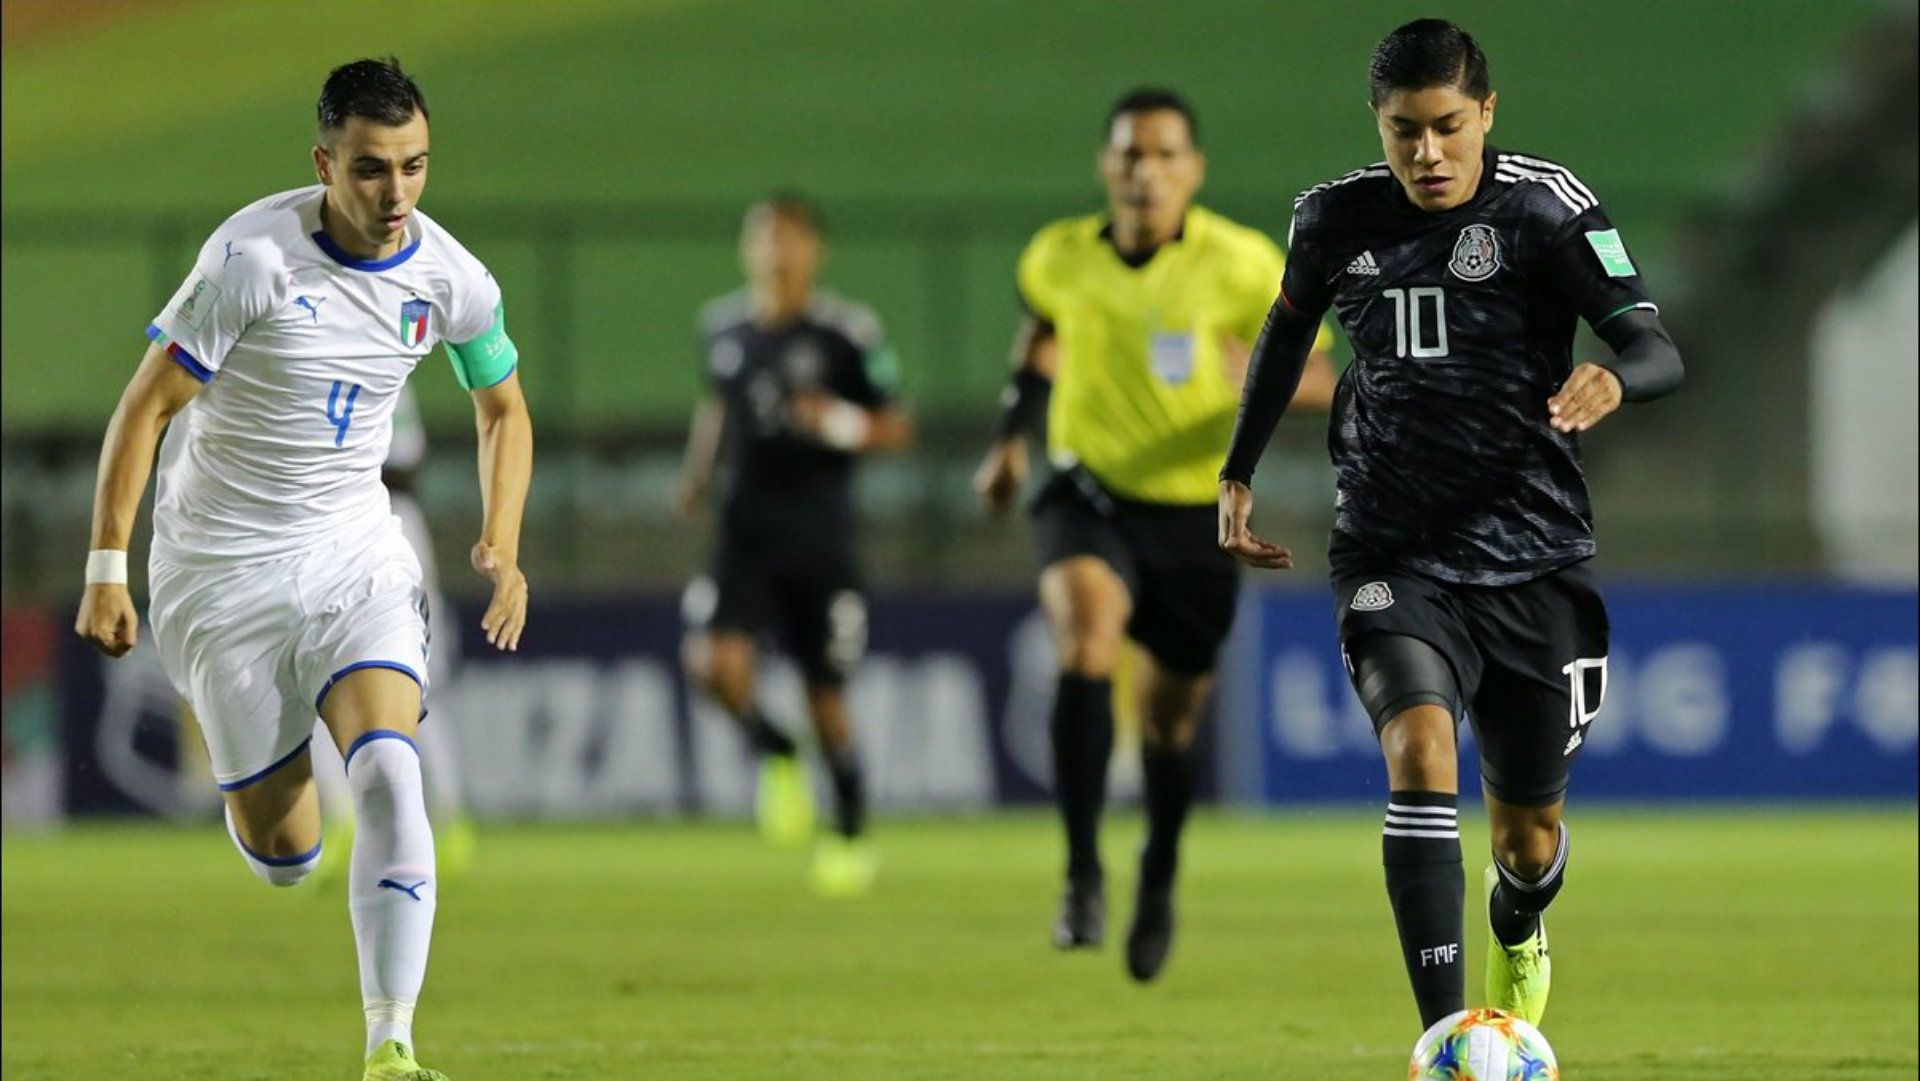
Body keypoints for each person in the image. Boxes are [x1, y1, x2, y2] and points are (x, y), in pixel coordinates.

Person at [1218, 20, 1683, 1032]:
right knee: (1421, 750)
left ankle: (1518, 920)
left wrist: (1614, 373)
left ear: (1487, 115)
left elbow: (1656, 347)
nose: (1426, 153)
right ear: (1378, 126)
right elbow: (1283, 332)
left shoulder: (1546, 209)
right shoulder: (1333, 220)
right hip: (1392, 550)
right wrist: (1237, 472)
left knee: (1527, 836)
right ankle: (1443, 1038)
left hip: (1533, 559)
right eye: (1403, 132)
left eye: (1445, 127)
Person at [73, 58, 531, 1081]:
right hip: (219, 572)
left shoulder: (449, 275)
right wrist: (109, 565)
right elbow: (145, 406)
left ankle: (392, 1046)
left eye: (414, 166)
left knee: (389, 771)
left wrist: (503, 540)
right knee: (286, 857)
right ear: (324, 163)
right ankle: (280, 839)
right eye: (371, 170)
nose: (397, 193)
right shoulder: (251, 260)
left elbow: (502, 406)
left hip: (353, 555)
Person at [973, 87, 1335, 982]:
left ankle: (1160, 872)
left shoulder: (1245, 264)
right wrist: (1012, 441)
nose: (1146, 172)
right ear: (1106, 166)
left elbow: (1323, 374)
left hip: (1195, 513)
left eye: (1165, 155)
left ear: (1194, 170)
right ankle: (1082, 871)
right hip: (1085, 490)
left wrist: (1261, 373)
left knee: (1170, 723)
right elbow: (1041, 338)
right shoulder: (1058, 256)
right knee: (1087, 636)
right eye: (1130, 155)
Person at [674, 194, 913, 898]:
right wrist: (696, 474)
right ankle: (775, 751)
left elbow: (897, 426)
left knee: (825, 696)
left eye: (789, 238)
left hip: (820, 535)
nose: (776, 251)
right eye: (763, 238)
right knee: (710, 666)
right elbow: (716, 404)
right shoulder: (722, 328)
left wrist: (837, 420)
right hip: (744, 529)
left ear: (814, 249)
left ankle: (849, 832)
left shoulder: (848, 334)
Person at [312, 385, 479, 885]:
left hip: (383, 521)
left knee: (419, 688)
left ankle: (449, 821)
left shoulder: (384, 359)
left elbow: (406, 463)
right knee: (315, 680)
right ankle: (342, 822)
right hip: (328, 527)